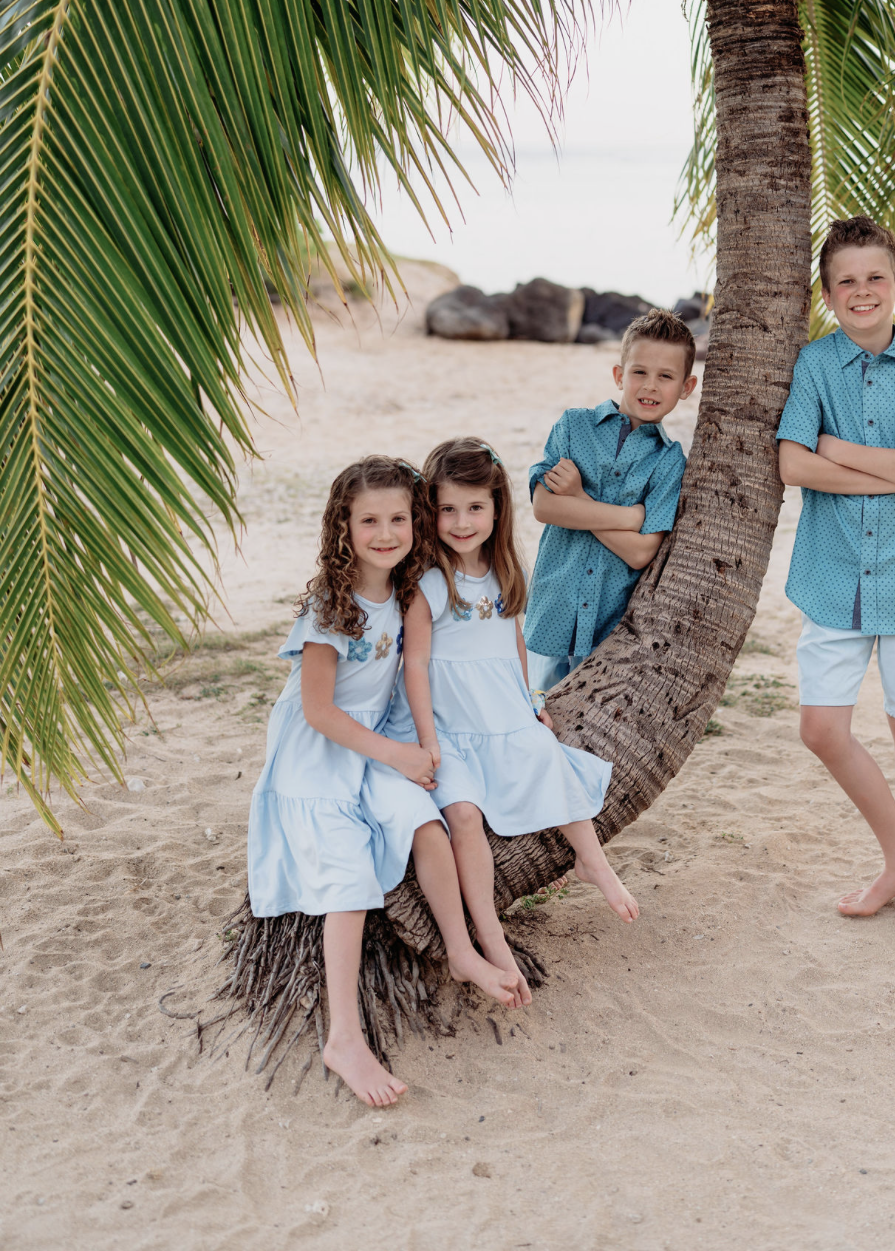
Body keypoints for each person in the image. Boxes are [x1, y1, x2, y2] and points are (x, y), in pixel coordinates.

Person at [247, 455, 518, 1108]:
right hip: (318, 756)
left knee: (426, 825)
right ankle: (344, 1035)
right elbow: (318, 712)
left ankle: (460, 949)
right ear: (343, 526)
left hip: (376, 747)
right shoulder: (329, 609)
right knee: (348, 879)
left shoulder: (407, 592)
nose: (386, 532)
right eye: (369, 520)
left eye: (399, 518)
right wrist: (396, 756)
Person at [383, 437, 638, 1008]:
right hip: (447, 724)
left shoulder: (503, 572)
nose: (461, 521)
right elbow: (415, 666)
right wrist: (426, 741)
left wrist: (528, 699)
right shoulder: (426, 583)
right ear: (430, 510)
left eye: (475, 507)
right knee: (465, 818)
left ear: (497, 508)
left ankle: (594, 862)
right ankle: (489, 935)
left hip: (499, 707)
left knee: (546, 755)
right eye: (447, 508)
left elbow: (512, 642)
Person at [777, 216, 895, 936]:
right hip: (833, 576)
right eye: (847, 282)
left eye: (875, 278)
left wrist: (843, 452)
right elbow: (794, 464)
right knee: (822, 729)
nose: (863, 291)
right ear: (828, 294)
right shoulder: (813, 367)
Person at [524, 309, 698, 695]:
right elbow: (545, 508)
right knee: (533, 718)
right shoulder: (574, 426)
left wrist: (580, 499)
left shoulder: (669, 462)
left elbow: (640, 553)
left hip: (608, 628)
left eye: (666, 377)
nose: (650, 386)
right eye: (640, 372)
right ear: (619, 375)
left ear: (686, 387)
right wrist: (629, 516)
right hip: (551, 613)